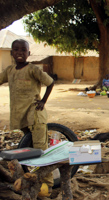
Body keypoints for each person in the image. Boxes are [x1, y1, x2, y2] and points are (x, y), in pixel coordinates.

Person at [0, 39, 55, 197]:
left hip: (35, 115)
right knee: (31, 149)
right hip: (21, 116)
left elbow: (50, 83)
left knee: (41, 150)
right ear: (11, 53)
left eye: (23, 50)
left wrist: (43, 101)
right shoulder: (10, 70)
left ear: (28, 53)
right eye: (16, 50)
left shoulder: (33, 69)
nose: (19, 53)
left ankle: (48, 187)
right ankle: (33, 179)